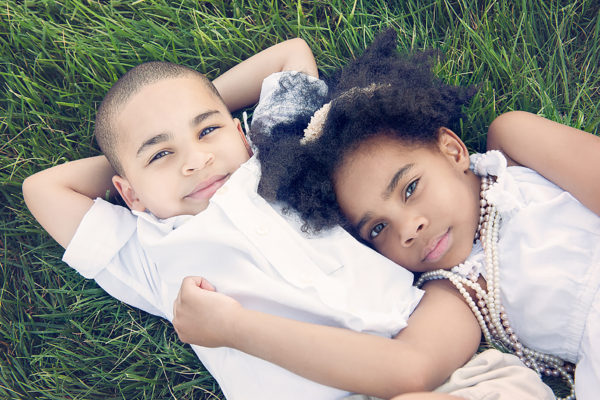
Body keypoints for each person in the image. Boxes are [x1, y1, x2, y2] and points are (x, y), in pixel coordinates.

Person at [22, 37, 477, 399]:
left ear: (240, 132)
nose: (196, 160)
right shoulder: (147, 250)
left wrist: (185, 110)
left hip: (418, 333)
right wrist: (128, 163)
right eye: (162, 154)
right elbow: (41, 189)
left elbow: (291, 53)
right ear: (128, 193)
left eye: (208, 130)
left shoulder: (275, 153)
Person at [167, 32, 556, 400]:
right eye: (378, 228)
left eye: (409, 188)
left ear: (453, 150)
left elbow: (293, 53)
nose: (408, 229)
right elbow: (408, 369)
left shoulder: (515, 142)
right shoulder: (456, 294)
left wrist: (178, 123)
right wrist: (233, 327)